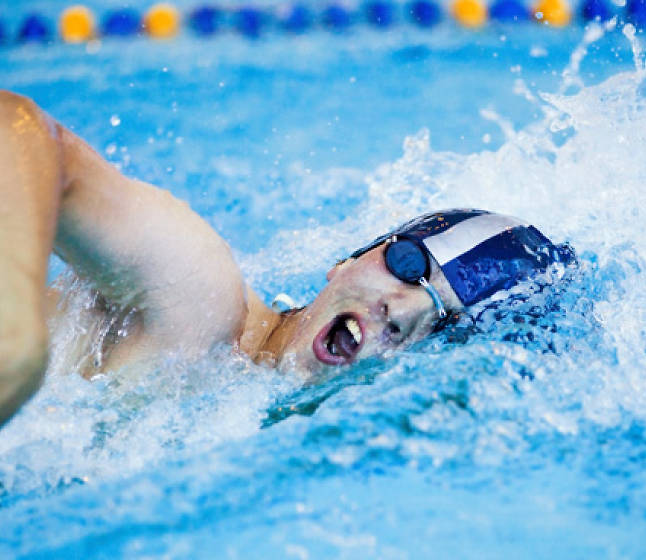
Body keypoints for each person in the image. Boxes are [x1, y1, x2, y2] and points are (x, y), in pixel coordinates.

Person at [0, 90, 574, 428]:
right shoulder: (201, 304)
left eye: (443, 325)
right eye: (409, 265)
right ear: (348, 261)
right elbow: (19, 126)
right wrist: (17, 330)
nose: (402, 310)